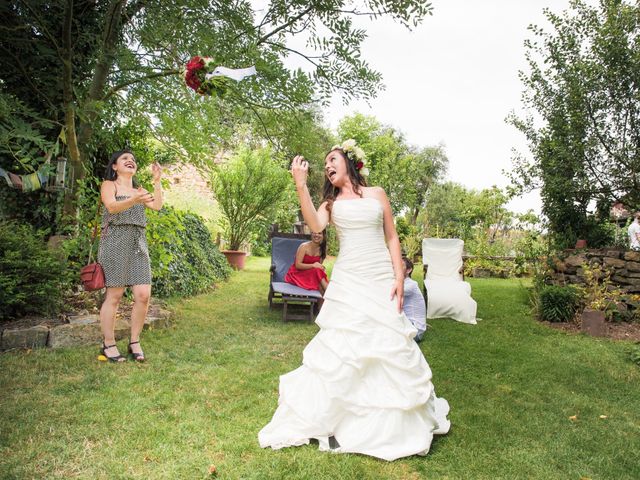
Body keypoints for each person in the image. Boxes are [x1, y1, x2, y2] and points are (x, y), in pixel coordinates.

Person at [258, 140, 450, 461]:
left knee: (387, 344)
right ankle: (340, 417)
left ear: (349, 161)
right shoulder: (331, 204)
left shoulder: (377, 194)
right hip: (349, 281)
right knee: (346, 348)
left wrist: (399, 277)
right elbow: (315, 225)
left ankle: (392, 420)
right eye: (325, 165)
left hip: (380, 279)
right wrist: (300, 186)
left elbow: (391, 236)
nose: (328, 167)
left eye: (333, 159)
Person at [98, 150, 163, 362]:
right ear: (115, 166)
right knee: (114, 296)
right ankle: (108, 344)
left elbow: (157, 206)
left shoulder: (139, 191)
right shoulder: (110, 185)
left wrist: (157, 181)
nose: (130, 161)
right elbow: (111, 206)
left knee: (143, 294)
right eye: (125, 158)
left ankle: (134, 341)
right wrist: (135, 199)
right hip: (115, 241)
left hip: (138, 242)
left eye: (133, 159)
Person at [402, 258, 427, 342]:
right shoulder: (403, 283)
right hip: (408, 324)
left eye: (400, 266)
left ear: (408, 270)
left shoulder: (411, 284)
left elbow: (395, 292)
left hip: (415, 329)